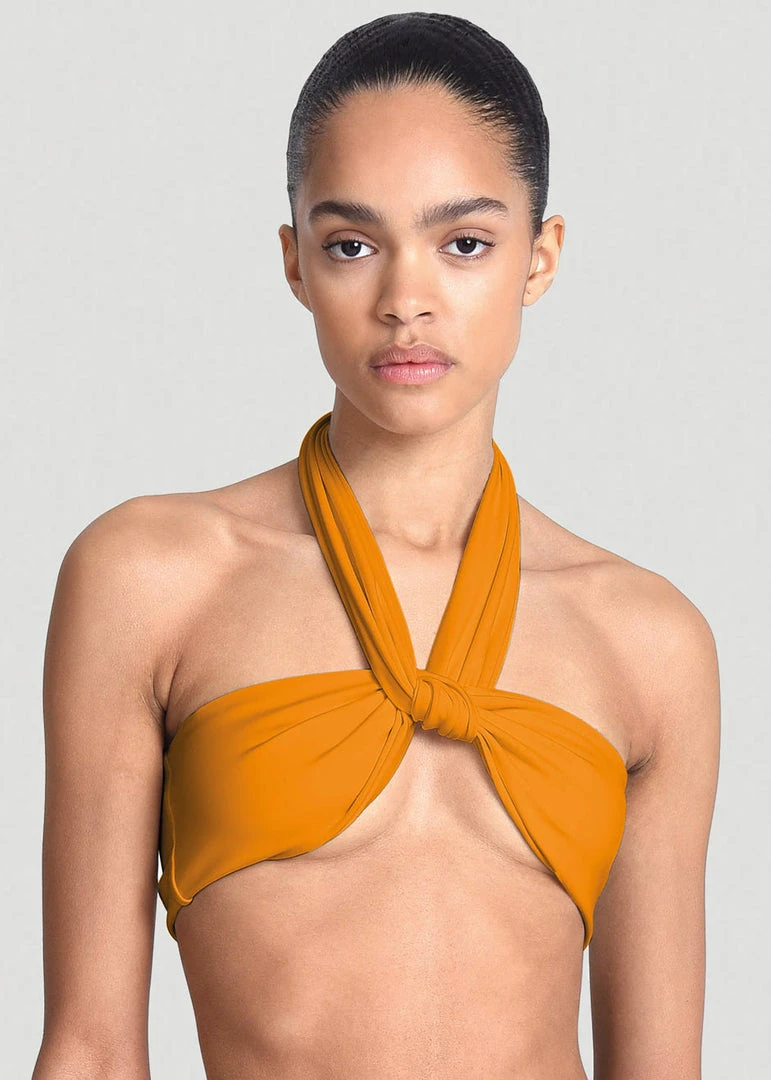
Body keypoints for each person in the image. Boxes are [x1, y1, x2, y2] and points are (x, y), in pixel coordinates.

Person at [32, 12, 721, 1080]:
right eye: (352, 245)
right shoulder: (151, 579)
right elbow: (89, 1050)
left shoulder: (651, 641)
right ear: (295, 263)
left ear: (540, 259)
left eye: (464, 243)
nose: (406, 301)